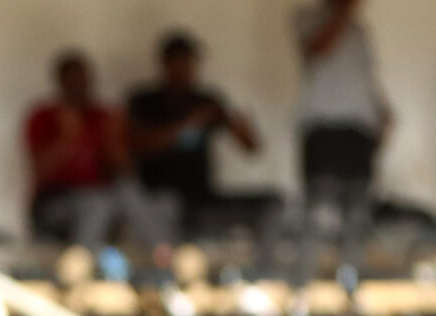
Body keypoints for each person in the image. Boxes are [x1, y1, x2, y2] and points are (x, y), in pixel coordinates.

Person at [24, 52, 173, 269]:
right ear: (60, 81)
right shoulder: (43, 116)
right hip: (55, 205)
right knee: (97, 203)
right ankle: (81, 265)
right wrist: (67, 139)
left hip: (104, 201)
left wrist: (116, 144)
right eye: (73, 79)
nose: (80, 85)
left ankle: (167, 257)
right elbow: (39, 171)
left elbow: (128, 173)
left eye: (84, 79)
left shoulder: (103, 116)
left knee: (131, 193)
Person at [126, 32, 276, 246]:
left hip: (202, 197)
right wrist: (187, 128)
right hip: (158, 197)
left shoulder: (206, 101)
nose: (187, 69)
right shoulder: (145, 101)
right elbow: (137, 144)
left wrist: (243, 128)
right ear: (166, 64)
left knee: (272, 204)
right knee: (166, 204)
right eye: (181, 62)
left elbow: (251, 148)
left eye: (191, 62)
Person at [289, 0, 390, 292]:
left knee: (358, 216)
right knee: (320, 217)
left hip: (359, 132)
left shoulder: (360, 31)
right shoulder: (308, 18)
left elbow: (364, 77)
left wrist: (380, 111)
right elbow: (319, 49)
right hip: (324, 131)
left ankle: (350, 290)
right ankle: (304, 291)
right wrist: (344, 12)